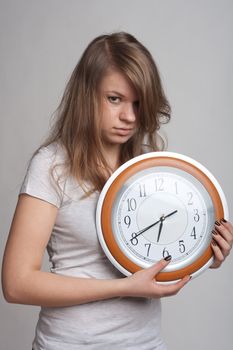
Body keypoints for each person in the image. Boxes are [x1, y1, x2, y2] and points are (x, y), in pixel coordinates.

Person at [2, 32, 233, 350]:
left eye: (139, 104)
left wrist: (204, 254)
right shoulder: (52, 165)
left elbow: (158, 253)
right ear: (87, 95)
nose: (130, 117)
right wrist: (124, 287)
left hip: (145, 344)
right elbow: (16, 284)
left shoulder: (149, 169)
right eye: (115, 99)